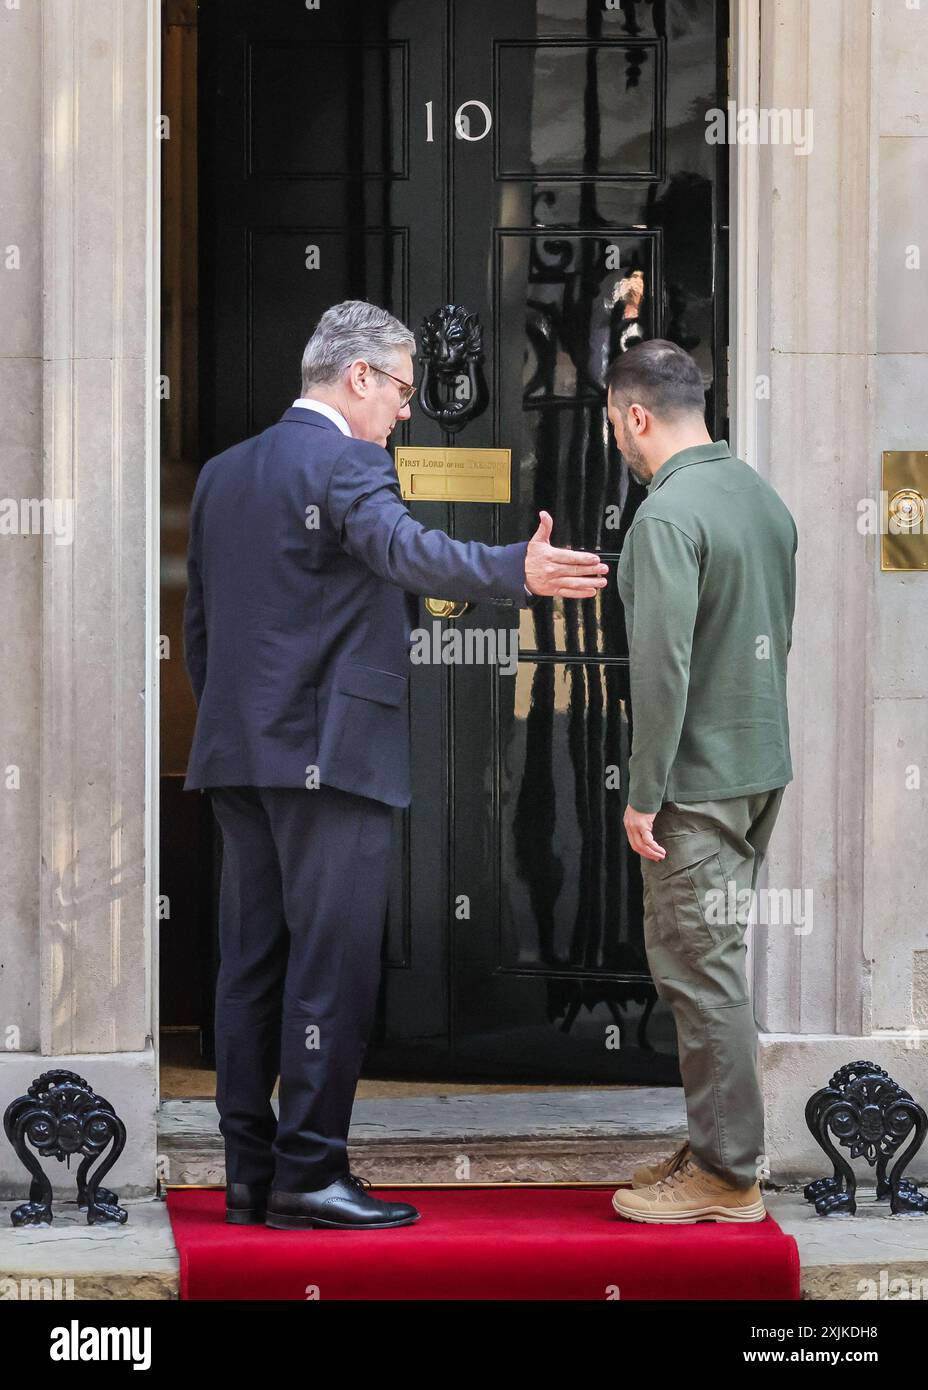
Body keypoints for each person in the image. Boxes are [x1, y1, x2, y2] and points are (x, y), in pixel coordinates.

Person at [183, 300, 608, 1231]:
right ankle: (309, 1174)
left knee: (249, 967)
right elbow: (401, 549)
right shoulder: (348, 460)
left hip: (237, 758)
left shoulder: (221, 473)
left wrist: (233, 727)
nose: (407, 413)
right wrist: (513, 572)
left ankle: (250, 1175)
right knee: (330, 971)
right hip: (331, 759)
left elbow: (200, 635)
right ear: (358, 376)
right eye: (403, 390)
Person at [606, 339, 797, 1225]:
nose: (619, 441)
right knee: (711, 964)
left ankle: (726, 1174)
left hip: (694, 782)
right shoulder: (760, 498)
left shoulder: (666, 517)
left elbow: (664, 670)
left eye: (614, 424)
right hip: (756, 769)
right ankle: (716, 1144)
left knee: (698, 972)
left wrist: (644, 792)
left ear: (637, 416)